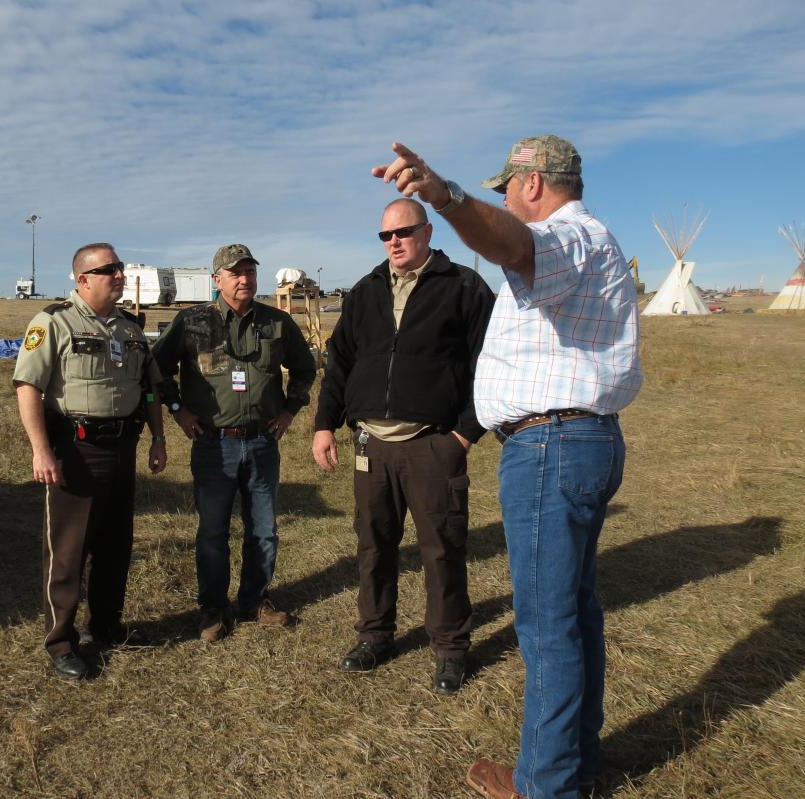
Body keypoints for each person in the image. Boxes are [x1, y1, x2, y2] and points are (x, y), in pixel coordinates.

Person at [373, 137, 643, 798]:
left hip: (552, 446)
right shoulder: (590, 244)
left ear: (532, 184)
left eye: (505, 187)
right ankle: (573, 763)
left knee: (547, 627)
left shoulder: (565, 237)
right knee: (575, 613)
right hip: (577, 440)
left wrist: (446, 195)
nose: (500, 200)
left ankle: (545, 784)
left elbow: (513, 245)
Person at [311, 199, 495, 694]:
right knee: (374, 546)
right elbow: (340, 360)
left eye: (404, 232)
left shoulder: (463, 287)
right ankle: (375, 635)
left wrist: (463, 434)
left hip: (431, 444)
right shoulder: (366, 291)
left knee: (441, 549)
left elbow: (490, 361)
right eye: (386, 235)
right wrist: (325, 424)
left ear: (428, 231)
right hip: (372, 443)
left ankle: (451, 647)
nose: (394, 241)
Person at [13, 242, 167, 681]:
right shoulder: (53, 322)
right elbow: (28, 386)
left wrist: (157, 438)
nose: (119, 274)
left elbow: (151, 388)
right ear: (83, 279)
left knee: (115, 544)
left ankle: (106, 626)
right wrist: (41, 450)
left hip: (123, 449)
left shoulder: (131, 330)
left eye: (120, 267)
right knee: (68, 551)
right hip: (76, 452)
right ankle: (61, 642)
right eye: (109, 270)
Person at [152, 244, 317, 642]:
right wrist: (178, 409)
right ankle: (212, 607)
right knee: (213, 530)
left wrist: (290, 410)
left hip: (262, 442)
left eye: (249, 272)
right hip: (213, 444)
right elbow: (156, 367)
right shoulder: (194, 321)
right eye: (235, 273)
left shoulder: (277, 323)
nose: (244, 279)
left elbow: (305, 368)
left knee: (263, 528)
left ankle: (254, 600)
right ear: (217, 280)